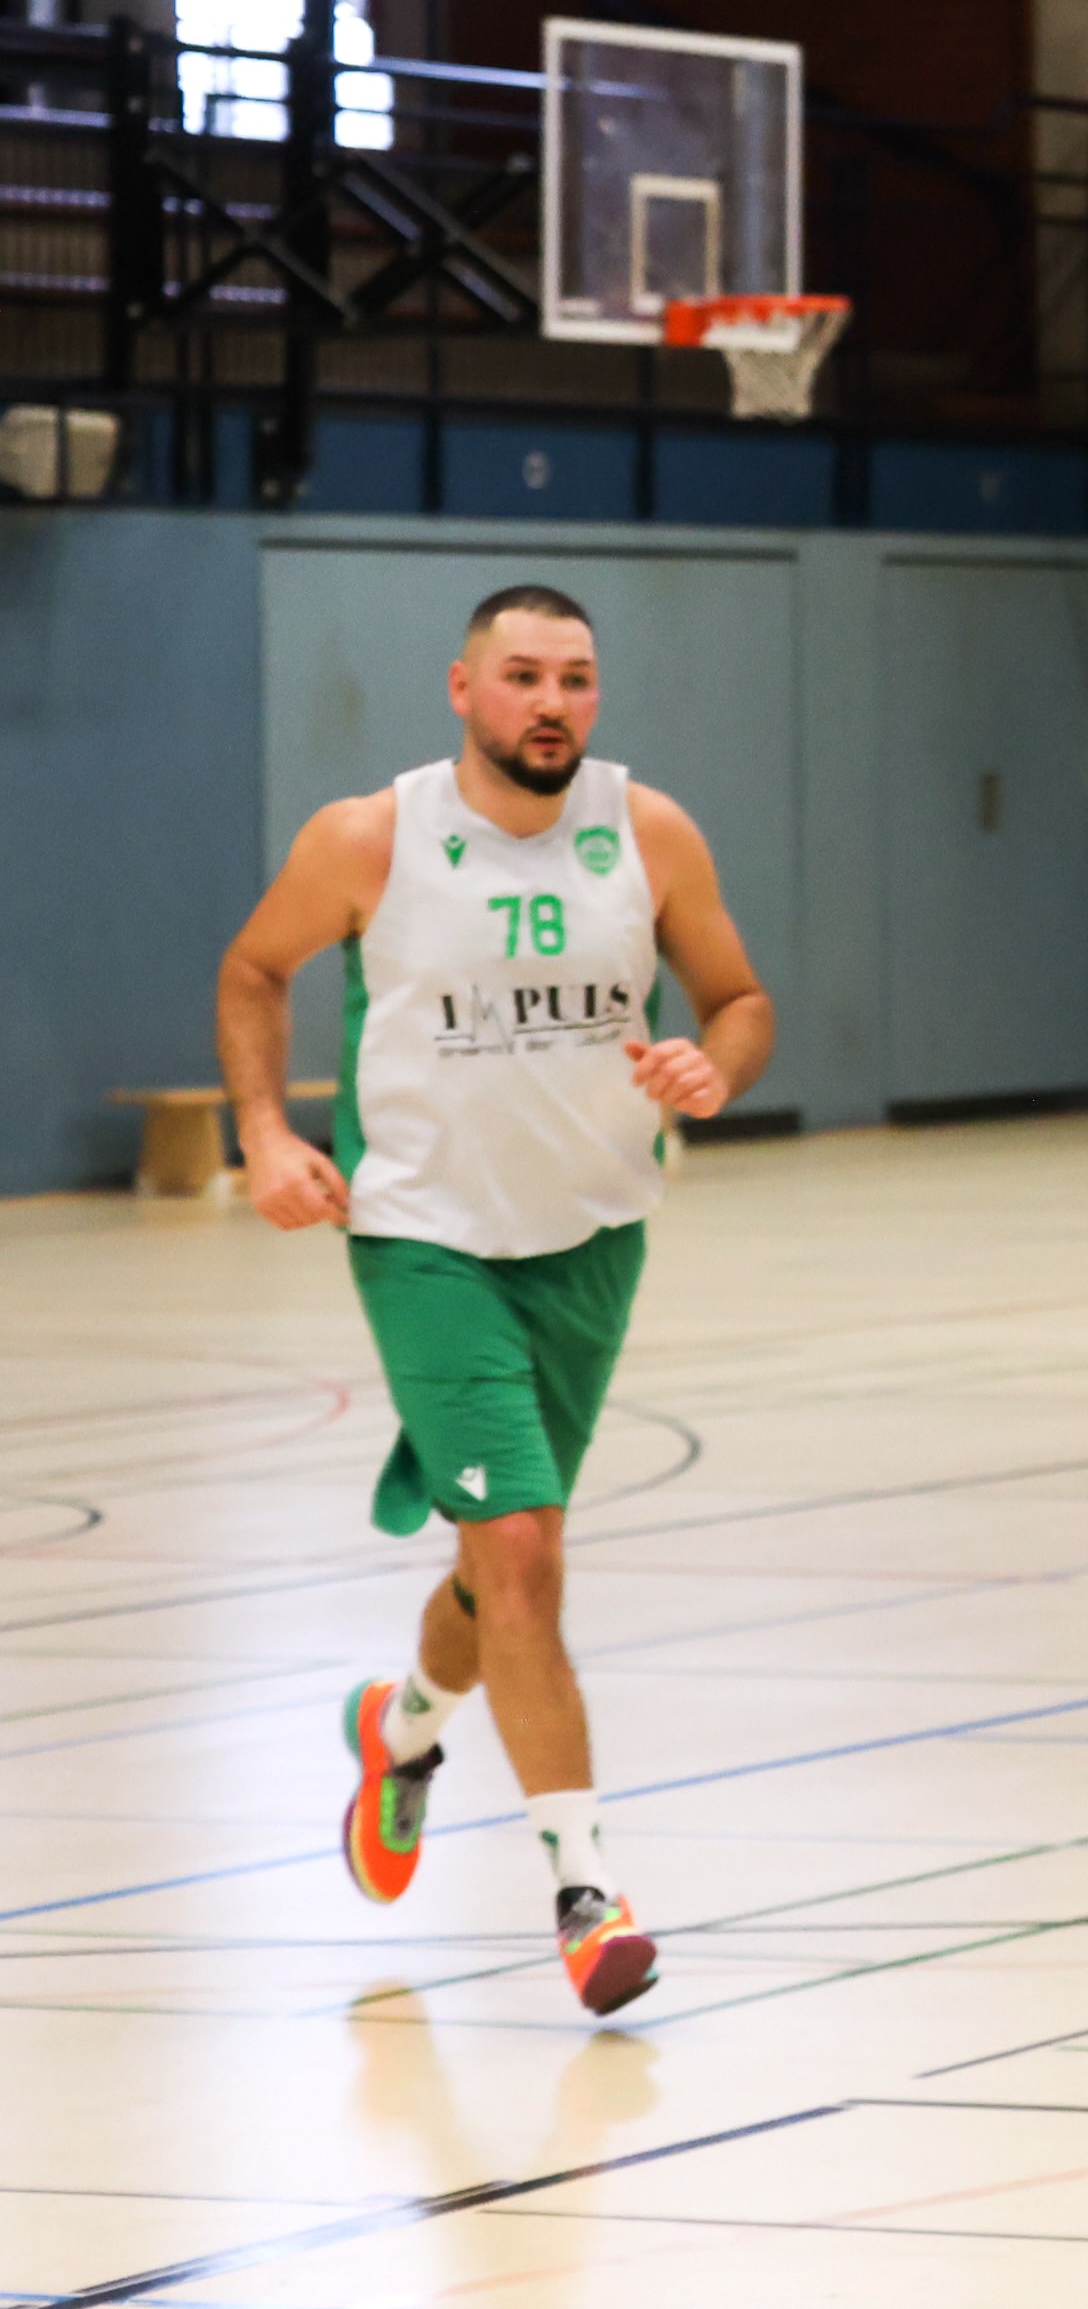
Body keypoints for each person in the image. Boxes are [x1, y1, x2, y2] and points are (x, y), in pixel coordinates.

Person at [219, 583, 774, 2018]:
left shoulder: (649, 830)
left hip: (589, 1236)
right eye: (522, 675)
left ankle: (401, 1731)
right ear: (461, 688)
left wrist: (716, 1067)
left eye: (575, 678)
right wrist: (268, 1131)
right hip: (425, 1235)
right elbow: (256, 967)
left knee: (505, 1567)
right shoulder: (370, 836)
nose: (551, 702)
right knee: (520, 1552)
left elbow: (739, 999)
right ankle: (586, 1892)